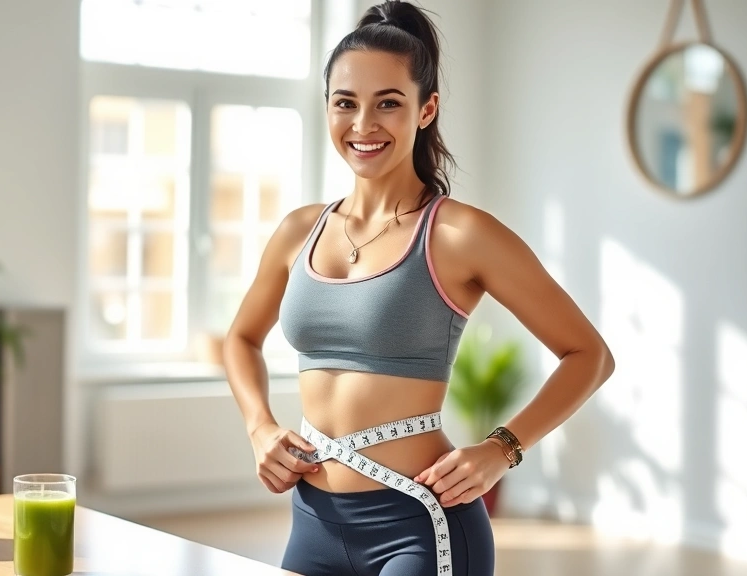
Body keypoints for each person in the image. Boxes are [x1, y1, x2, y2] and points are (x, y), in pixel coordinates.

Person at [223, 1, 615, 575]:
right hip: (310, 521)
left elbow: (590, 355)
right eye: (346, 103)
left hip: (421, 523)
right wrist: (259, 425)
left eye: (388, 103)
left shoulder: (459, 234)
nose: (363, 125)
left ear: (425, 109)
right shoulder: (298, 231)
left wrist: (500, 449)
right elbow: (241, 338)